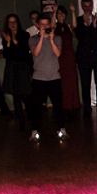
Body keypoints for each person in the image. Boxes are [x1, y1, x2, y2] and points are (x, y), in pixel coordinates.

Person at [28, 14, 67, 142]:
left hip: (54, 77)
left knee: (58, 106)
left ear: (50, 24)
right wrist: (41, 37)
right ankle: (35, 131)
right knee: (36, 107)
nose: (45, 26)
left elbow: (58, 54)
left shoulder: (57, 38)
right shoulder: (33, 39)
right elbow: (36, 53)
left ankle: (61, 129)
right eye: (42, 24)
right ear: (38, 26)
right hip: (39, 78)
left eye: (47, 24)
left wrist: (50, 40)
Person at [74, 0, 97, 118]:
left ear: (92, 6)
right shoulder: (78, 20)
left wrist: (94, 25)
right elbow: (79, 36)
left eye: (89, 5)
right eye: (85, 6)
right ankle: (87, 109)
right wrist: (86, 25)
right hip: (83, 57)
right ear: (82, 7)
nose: (88, 8)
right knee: (85, 85)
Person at [0, 13, 32, 128]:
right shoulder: (6, 37)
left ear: (18, 23)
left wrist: (13, 40)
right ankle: (20, 120)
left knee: (25, 94)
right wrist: (8, 42)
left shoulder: (25, 35)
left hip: (22, 67)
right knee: (16, 95)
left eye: (14, 22)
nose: (12, 24)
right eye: (10, 22)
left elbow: (24, 52)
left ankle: (31, 116)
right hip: (12, 68)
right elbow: (6, 55)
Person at [52, 6, 81, 114]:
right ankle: (65, 105)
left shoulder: (67, 26)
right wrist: (54, 12)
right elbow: (52, 25)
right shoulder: (55, 26)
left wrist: (73, 12)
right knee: (63, 81)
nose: (61, 15)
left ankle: (74, 104)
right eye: (59, 13)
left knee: (72, 80)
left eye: (63, 13)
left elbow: (75, 26)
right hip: (60, 56)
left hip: (70, 56)